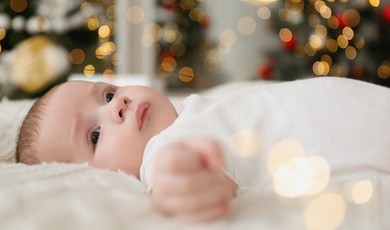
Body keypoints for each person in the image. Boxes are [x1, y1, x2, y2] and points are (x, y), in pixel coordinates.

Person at [16, 77, 390, 222]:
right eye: (94, 136)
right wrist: (176, 175)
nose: (118, 105)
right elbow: (171, 169)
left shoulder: (194, 111)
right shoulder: (165, 147)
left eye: (109, 93)